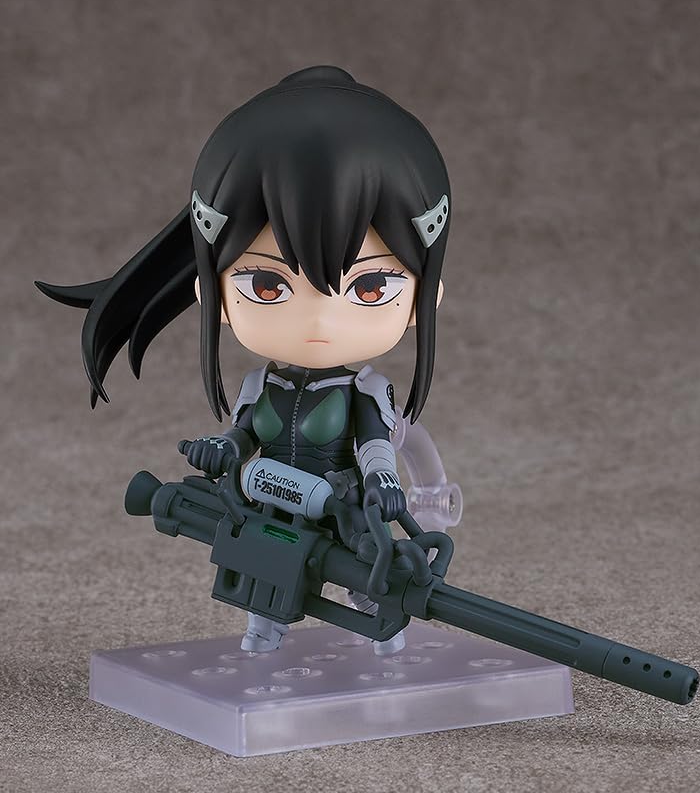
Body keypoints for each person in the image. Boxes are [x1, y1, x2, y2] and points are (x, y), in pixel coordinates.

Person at [37, 65, 452, 654]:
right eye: (266, 285)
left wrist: (384, 481)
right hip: (271, 505)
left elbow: (375, 443)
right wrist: (223, 449)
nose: (318, 320)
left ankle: (387, 644)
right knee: (263, 589)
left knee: (371, 585)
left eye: (368, 287)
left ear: (423, 300)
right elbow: (245, 433)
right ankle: (263, 638)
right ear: (212, 294)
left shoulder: (362, 391)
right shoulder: (260, 384)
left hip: (343, 508)